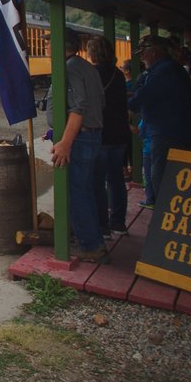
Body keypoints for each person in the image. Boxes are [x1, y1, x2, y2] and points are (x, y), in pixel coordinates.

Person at [49, 32, 109, 262]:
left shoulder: (70, 68)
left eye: (48, 43)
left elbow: (78, 108)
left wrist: (65, 141)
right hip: (91, 136)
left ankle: (91, 246)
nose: (45, 47)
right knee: (88, 189)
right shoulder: (87, 67)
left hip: (80, 139)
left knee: (77, 193)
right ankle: (95, 237)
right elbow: (99, 102)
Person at [127, 34, 191, 207]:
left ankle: (165, 211)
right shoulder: (170, 69)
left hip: (166, 130)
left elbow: (145, 94)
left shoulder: (163, 71)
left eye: (143, 53)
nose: (141, 57)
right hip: (173, 128)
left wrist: (127, 107)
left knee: (161, 174)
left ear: (154, 52)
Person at [88, 36, 130, 235]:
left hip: (102, 133)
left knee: (98, 181)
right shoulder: (118, 74)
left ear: (92, 53)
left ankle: (102, 225)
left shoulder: (92, 74)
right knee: (116, 180)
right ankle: (118, 221)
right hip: (120, 133)